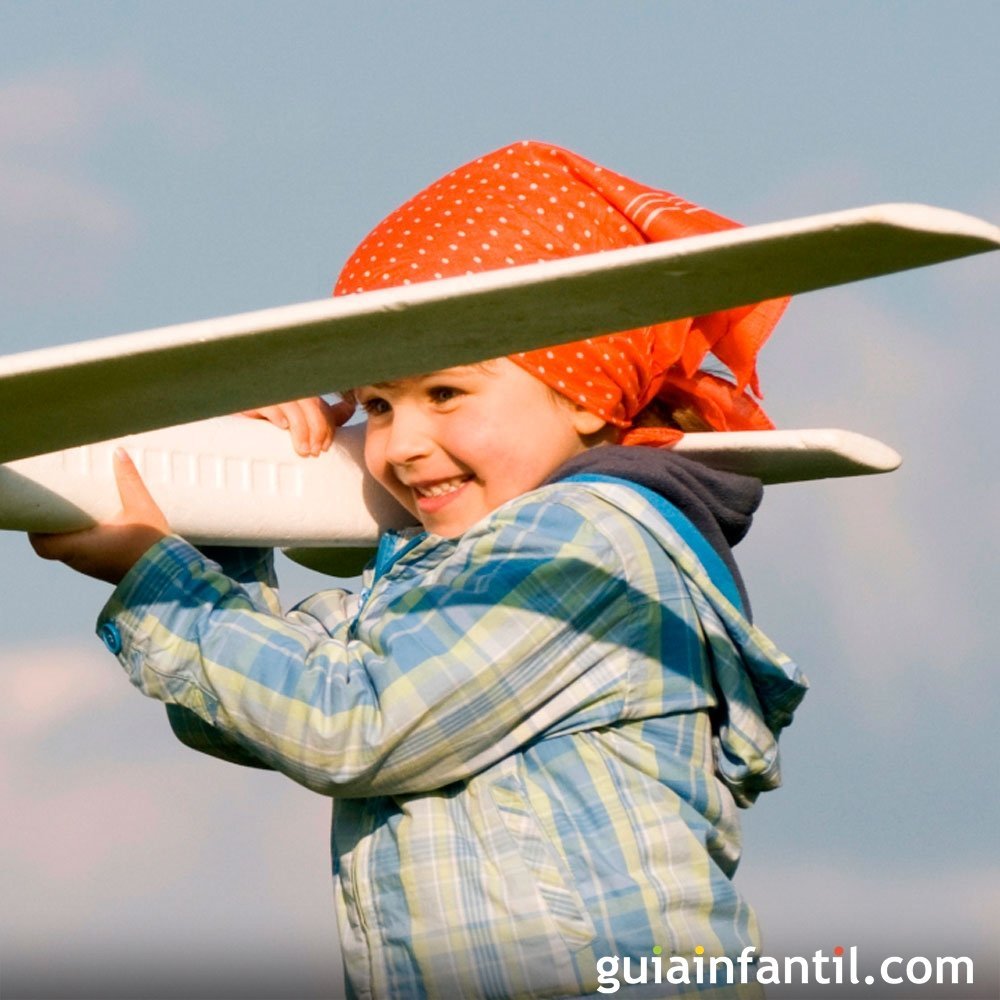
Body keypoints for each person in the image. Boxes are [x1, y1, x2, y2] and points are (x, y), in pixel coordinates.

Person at [31, 141, 808, 999]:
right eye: (375, 405)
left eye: (445, 395)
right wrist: (217, 528)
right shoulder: (436, 569)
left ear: (586, 391)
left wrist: (161, 580)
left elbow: (346, 723)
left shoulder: (589, 544)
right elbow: (251, 712)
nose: (400, 444)